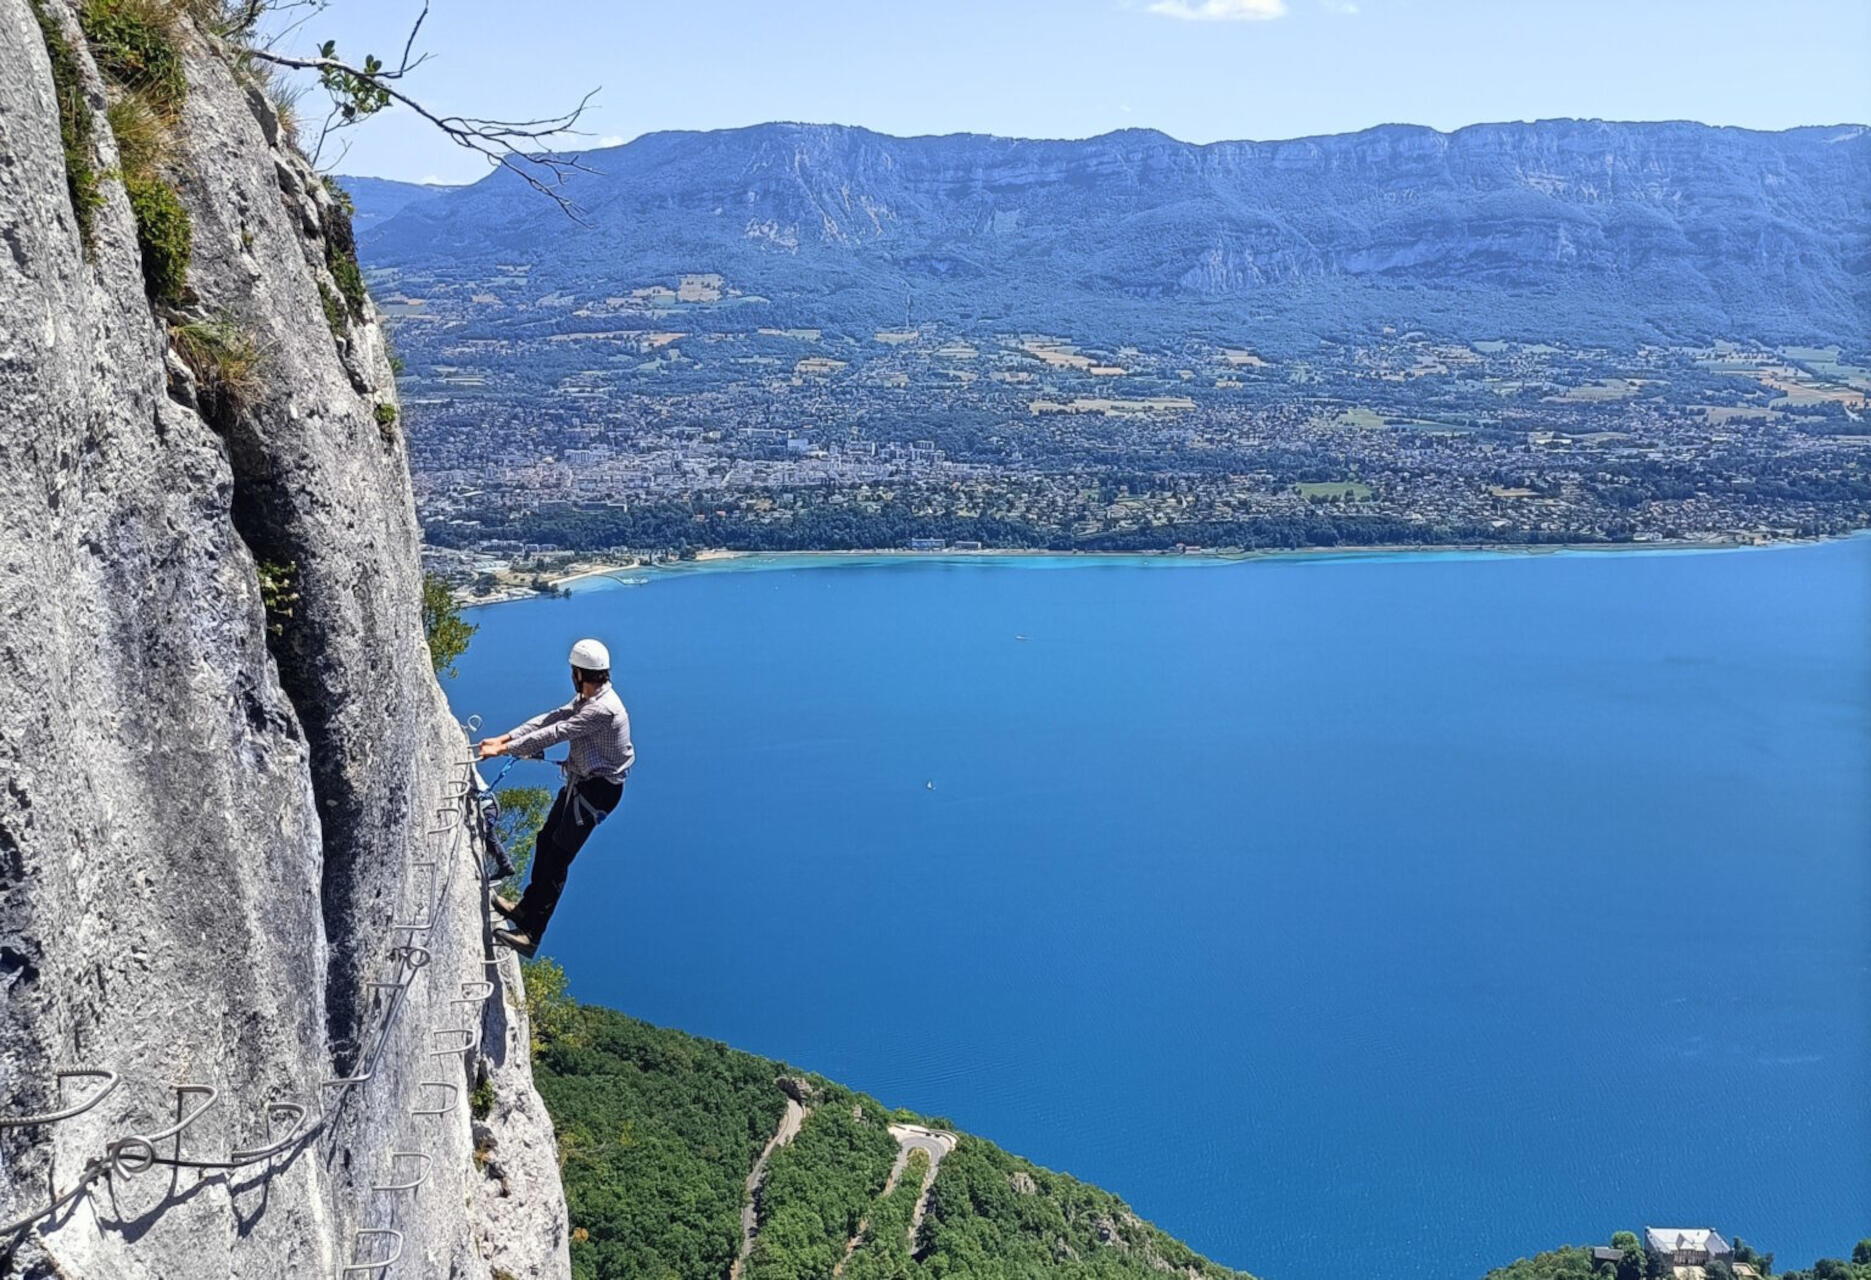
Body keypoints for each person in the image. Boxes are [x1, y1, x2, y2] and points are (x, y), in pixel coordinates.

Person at [477, 637, 634, 956]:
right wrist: (506, 737)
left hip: (598, 791)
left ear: (578, 673)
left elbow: (558, 733)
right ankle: (525, 910)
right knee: (545, 840)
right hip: (584, 783)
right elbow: (552, 718)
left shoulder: (602, 709)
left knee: (558, 859)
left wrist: (505, 750)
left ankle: (532, 935)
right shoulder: (590, 699)